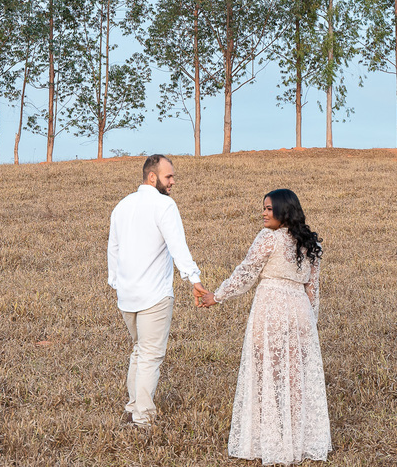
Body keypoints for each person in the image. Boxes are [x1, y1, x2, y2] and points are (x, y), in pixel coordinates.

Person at [198, 189, 330, 464]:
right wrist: (310, 321)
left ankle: (270, 440)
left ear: (284, 211)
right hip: (300, 312)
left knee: (266, 371)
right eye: (264, 208)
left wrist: (217, 296)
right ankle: (298, 441)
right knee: (295, 376)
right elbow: (312, 289)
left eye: (269, 208)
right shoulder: (310, 243)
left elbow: (246, 272)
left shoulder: (268, 238)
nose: (264, 213)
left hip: (271, 308)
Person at [107, 154, 209, 428]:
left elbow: (113, 249)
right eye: (169, 176)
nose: (173, 181)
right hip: (154, 295)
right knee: (150, 355)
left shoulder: (122, 206)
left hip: (127, 296)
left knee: (139, 351)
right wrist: (194, 279)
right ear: (152, 177)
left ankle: (132, 409)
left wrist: (115, 281)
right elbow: (178, 245)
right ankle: (143, 418)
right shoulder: (164, 205)